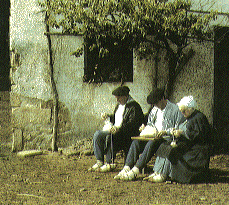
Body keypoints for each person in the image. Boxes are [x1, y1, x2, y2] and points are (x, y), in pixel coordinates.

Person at [114, 87, 185, 181]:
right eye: (153, 104)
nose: (155, 105)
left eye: (156, 103)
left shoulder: (175, 110)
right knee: (136, 142)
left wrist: (165, 131)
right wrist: (145, 127)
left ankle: (135, 170)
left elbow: (178, 129)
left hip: (166, 138)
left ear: (162, 99)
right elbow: (151, 123)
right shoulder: (154, 109)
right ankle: (126, 168)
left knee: (151, 144)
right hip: (153, 136)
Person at [145, 96, 211, 183]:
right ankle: (157, 171)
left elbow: (198, 136)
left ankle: (163, 174)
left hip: (197, 149)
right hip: (188, 144)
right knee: (164, 146)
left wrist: (182, 133)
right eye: (181, 111)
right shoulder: (189, 116)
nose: (182, 113)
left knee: (172, 150)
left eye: (184, 111)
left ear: (191, 109)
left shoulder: (199, 118)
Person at [88, 85, 144, 172]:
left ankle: (110, 162)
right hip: (115, 129)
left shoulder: (134, 107)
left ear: (125, 96)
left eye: (119, 98)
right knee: (97, 135)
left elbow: (132, 125)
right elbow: (116, 118)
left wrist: (119, 129)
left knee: (111, 137)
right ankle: (99, 161)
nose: (117, 100)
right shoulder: (119, 105)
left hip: (125, 134)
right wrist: (108, 117)